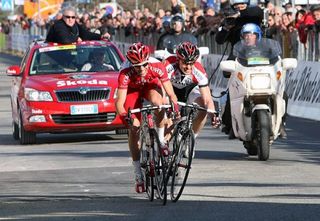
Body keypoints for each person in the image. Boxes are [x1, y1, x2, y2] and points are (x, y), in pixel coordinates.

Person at [115, 42, 179, 193]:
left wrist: (174, 105)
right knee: (135, 128)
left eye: (144, 65)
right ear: (131, 64)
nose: (142, 69)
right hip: (132, 90)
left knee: (160, 103)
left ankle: (162, 140)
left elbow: (171, 93)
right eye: (137, 66)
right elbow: (119, 102)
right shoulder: (125, 72)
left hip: (150, 86)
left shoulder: (157, 66)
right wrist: (126, 117)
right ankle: (138, 174)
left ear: (148, 60)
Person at [215, 0, 263, 138]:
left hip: (258, 55)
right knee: (233, 90)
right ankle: (230, 124)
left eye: (242, 4)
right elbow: (219, 40)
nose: (239, 7)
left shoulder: (253, 16)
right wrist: (226, 28)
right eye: (236, 5)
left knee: (280, 90)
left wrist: (239, 14)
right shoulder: (231, 21)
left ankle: (281, 122)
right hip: (238, 57)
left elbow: (257, 11)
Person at [163, 42, 220, 154]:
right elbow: (162, 91)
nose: (188, 67)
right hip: (171, 89)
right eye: (185, 63)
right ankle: (164, 147)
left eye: (191, 63)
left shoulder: (198, 70)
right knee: (168, 118)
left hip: (190, 90)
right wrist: (169, 109)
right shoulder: (168, 65)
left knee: (203, 107)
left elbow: (207, 99)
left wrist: (213, 114)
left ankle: (191, 138)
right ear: (178, 59)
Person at [46, 6, 110, 44]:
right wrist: (76, 38)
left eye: (73, 17)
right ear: (63, 17)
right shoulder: (58, 25)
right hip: (53, 58)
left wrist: (101, 36)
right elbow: (65, 39)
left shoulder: (75, 24)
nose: (70, 19)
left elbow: (85, 34)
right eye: (68, 17)